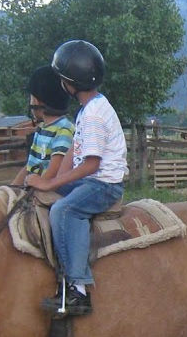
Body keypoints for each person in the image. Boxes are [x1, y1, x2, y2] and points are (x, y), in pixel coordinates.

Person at [25, 40, 127, 317]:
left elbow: (92, 164)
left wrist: (49, 184)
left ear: (69, 83)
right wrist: (51, 180)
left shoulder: (93, 115)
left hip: (103, 185)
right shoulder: (90, 107)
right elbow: (75, 149)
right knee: (39, 198)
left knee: (64, 210)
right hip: (91, 179)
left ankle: (77, 289)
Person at [12, 65, 75, 186]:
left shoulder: (64, 130)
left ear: (36, 100)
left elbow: (55, 170)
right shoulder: (42, 128)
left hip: (48, 189)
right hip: (35, 187)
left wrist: (36, 188)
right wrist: (11, 187)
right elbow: (30, 166)